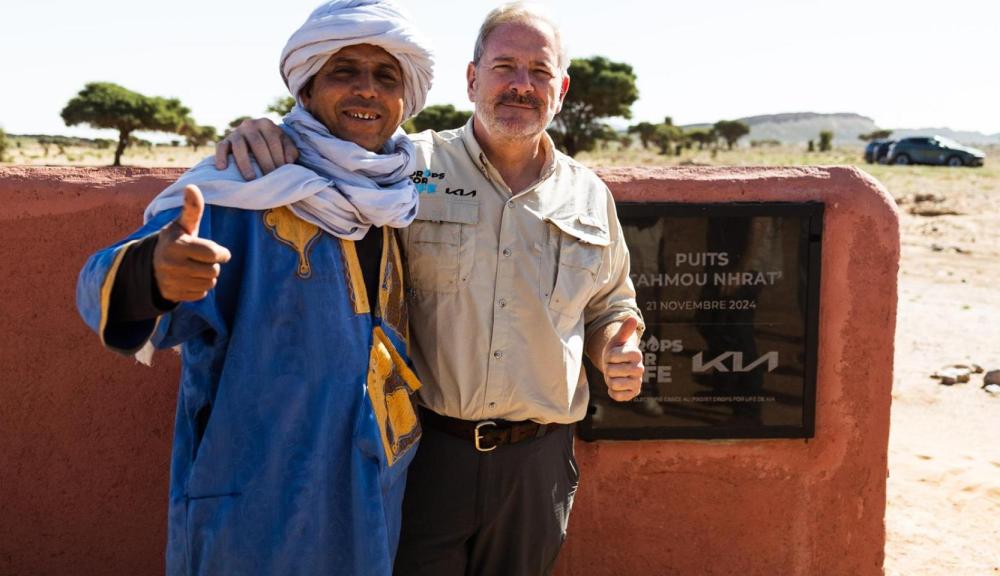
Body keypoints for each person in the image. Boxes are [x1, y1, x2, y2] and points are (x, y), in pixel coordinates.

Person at [217, 3, 645, 574]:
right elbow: (334, 154)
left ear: (560, 89)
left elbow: (610, 301)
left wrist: (615, 342)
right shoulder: (412, 167)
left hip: (538, 465)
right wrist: (264, 130)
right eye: (505, 66)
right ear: (472, 79)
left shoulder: (589, 195)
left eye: (539, 72)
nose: (522, 85)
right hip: (427, 456)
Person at [75, 1, 434, 574]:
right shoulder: (244, 186)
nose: (367, 90)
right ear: (307, 88)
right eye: (344, 71)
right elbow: (99, 280)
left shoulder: (404, 184)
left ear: (405, 99)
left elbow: (457, 177)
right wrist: (153, 273)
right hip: (256, 508)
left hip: (371, 497)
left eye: (386, 76)